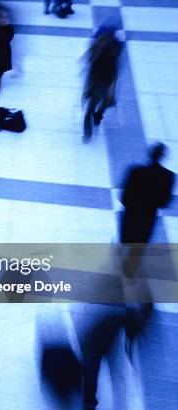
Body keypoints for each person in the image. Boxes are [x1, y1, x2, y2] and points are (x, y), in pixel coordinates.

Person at [120, 143, 174, 276]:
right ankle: (130, 270)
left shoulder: (135, 171)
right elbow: (164, 202)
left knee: (127, 238)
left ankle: (122, 262)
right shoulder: (168, 176)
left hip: (132, 212)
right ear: (163, 156)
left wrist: (130, 205)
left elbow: (124, 195)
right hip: (148, 215)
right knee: (139, 244)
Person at [82, 26, 122, 142]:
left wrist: (87, 90)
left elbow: (91, 67)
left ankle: (88, 132)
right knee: (102, 104)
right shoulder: (115, 48)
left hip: (99, 83)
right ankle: (97, 117)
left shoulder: (97, 49)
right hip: (105, 83)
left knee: (90, 110)